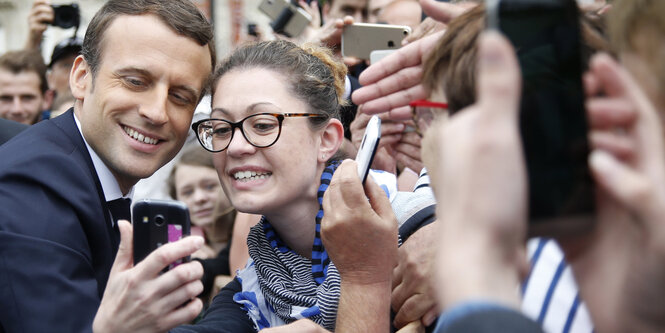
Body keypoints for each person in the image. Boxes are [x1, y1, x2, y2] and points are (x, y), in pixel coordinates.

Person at [173, 39, 433, 332]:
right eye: (220, 129)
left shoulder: (416, 233)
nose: (235, 146)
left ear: (327, 140)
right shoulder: (253, 288)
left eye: (262, 125)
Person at [0, 0, 216, 331]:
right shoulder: (34, 185)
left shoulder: (83, 172)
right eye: (135, 81)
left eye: (180, 97)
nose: (157, 112)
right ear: (82, 78)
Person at [0, 49, 53, 124]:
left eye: (27, 97)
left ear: (47, 99)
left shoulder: (65, 133)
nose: (17, 109)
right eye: (6, 98)